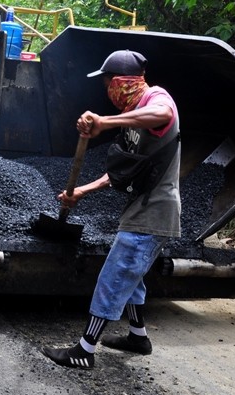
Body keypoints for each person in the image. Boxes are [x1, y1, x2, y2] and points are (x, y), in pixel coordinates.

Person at [42, 50, 181, 369]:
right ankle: (137, 337)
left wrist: (106, 122)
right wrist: (81, 192)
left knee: (116, 275)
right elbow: (121, 173)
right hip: (140, 207)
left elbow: (163, 114)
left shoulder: (155, 98)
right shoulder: (132, 116)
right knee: (132, 274)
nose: (107, 92)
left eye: (107, 84)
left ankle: (84, 350)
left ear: (121, 82)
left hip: (154, 211)